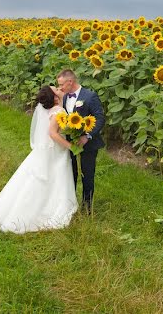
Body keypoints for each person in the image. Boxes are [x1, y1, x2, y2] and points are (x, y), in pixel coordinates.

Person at [0, 86, 78, 233]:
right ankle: (48, 209)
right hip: (54, 151)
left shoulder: (48, 109)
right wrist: (71, 146)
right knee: (54, 177)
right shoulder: (58, 111)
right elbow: (53, 134)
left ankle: (12, 210)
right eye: (56, 89)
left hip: (44, 150)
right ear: (55, 98)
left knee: (33, 177)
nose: (59, 89)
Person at [56, 69, 105, 215]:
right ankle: (70, 204)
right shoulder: (65, 97)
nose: (60, 88)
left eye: (61, 85)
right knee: (70, 172)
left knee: (87, 173)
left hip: (88, 143)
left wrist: (87, 136)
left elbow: (100, 118)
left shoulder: (90, 96)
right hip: (70, 143)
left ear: (70, 82)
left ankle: (87, 207)